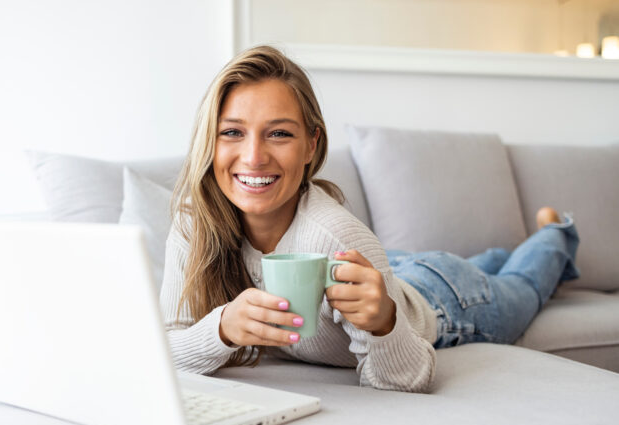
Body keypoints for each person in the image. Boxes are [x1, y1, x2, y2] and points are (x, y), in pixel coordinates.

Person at [160, 45, 579, 393]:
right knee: (469, 265)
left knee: (522, 286)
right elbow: (162, 351)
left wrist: (383, 323)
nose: (253, 156)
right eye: (232, 132)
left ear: (311, 145)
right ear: (209, 142)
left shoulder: (336, 238)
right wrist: (223, 328)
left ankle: (555, 232)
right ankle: (494, 256)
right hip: (400, 267)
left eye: (280, 133)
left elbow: (402, 381)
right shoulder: (195, 224)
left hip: (444, 298)